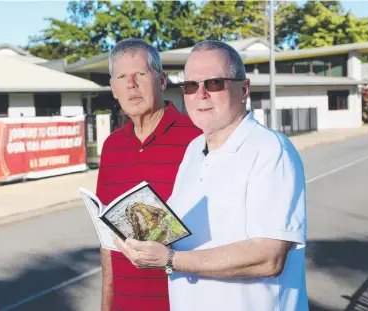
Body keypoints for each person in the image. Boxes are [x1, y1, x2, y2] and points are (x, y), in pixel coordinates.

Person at [113, 40, 309, 311]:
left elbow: (268, 257)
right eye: (191, 86)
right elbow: (178, 234)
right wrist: (138, 239)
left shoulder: (269, 149)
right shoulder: (194, 150)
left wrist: (170, 259)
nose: (201, 94)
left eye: (214, 83)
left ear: (244, 89)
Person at [95, 38, 202, 311]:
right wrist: (107, 305)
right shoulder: (111, 147)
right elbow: (108, 241)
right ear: (113, 89)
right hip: (125, 304)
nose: (131, 84)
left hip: (184, 300)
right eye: (122, 77)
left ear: (162, 81)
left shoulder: (198, 138)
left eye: (140, 74)